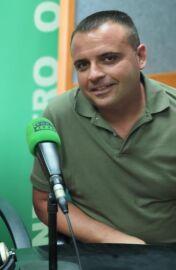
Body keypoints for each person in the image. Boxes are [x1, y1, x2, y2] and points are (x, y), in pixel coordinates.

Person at [31, 10, 176, 244]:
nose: (94, 75)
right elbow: (43, 201)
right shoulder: (59, 115)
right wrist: (120, 242)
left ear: (140, 56)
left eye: (109, 58)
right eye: (82, 65)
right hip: (95, 254)